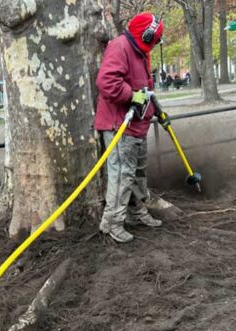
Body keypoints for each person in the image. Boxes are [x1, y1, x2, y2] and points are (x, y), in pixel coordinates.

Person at [94, 12, 166, 243]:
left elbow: (146, 88)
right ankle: (112, 223)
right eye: (154, 40)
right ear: (145, 35)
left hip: (137, 125)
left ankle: (136, 212)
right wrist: (130, 95)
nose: (154, 46)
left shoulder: (141, 52)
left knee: (137, 173)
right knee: (121, 176)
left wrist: (157, 111)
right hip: (119, 126)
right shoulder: (120, 47)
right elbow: (107, 82)